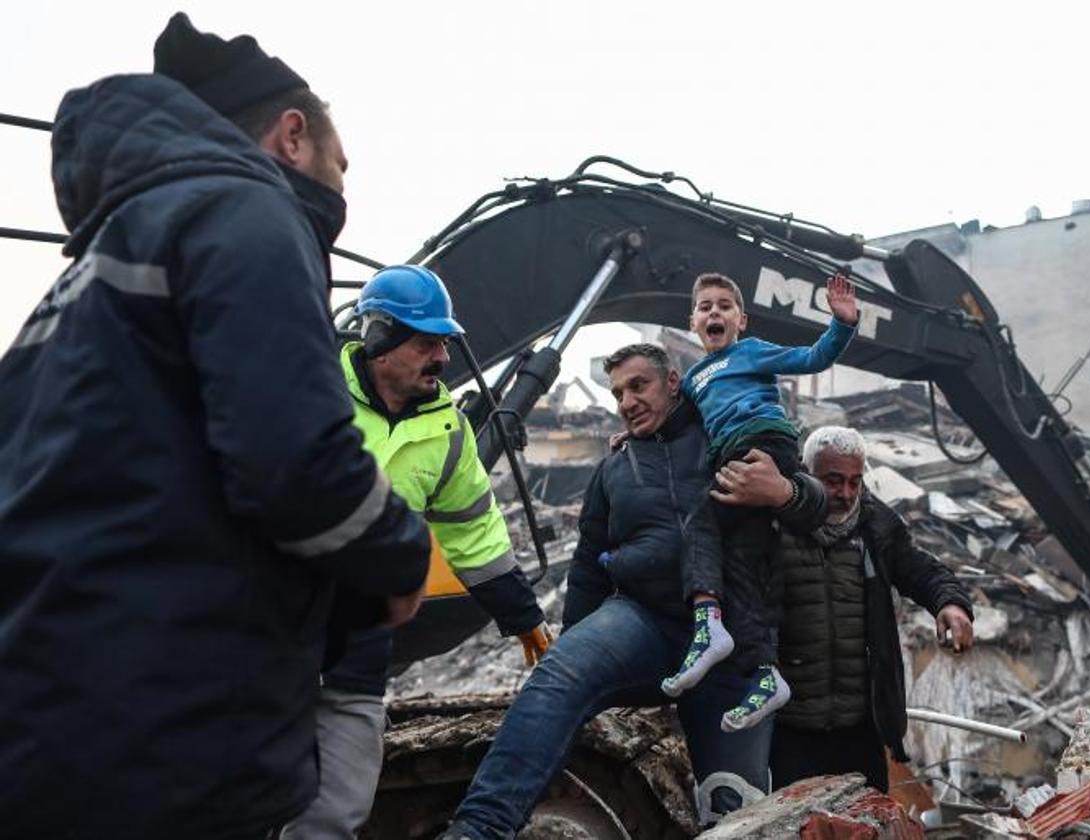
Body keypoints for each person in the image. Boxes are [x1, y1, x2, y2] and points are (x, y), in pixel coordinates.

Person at [0, 14, 433, 840]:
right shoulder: (248, 210)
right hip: (163, 742)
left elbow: (164, 505)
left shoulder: (82, 281)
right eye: (343, 167)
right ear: (293, 136)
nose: (343, 194)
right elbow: (294, 466)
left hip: (51, 717)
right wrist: (398, 553)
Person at [438, 343, 829, 840]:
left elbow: (819, 506)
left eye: (637, 386)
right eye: (618, 392)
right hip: (643, 620)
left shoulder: (726, 437)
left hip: (730, 640)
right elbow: (586, 565)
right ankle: (480, 828)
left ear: (673, 382)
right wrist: (577, 642)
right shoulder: (615, 467)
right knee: (561, 674)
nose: (626, 401)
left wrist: (786, 492)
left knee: (734, 804)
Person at [281, 265, 551, 840]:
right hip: (272, 636)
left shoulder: (446, 430)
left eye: (445, 345)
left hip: (358, 653)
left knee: (336, 812)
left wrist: (523, 616)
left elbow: (473, 530)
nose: (443, 359)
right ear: (377, 338)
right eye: (426, 343)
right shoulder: (303, 389)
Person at [711, 426, 975, 792]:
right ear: (804, 472)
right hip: (786, 730)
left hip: (858, 729)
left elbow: (921, 569)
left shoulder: (875, 526)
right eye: (833, 481)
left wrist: (951, 604)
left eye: (854, 481)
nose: (846, 494)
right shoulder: (768, 524)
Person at [662, 270, 859, 733]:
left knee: (701, 522)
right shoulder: (693, 379)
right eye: (705, 306)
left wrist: (843, 325)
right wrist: (625, 434)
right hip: (730, 454)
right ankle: (767, 675)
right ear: (693, 321)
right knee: (747, 567)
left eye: (724, 305)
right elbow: (677, 424)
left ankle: (708, 622)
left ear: (741, 320)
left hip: (763, 442)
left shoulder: (750, 352)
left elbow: (812, 357)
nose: (715, 312)